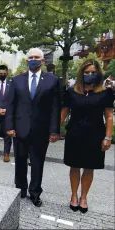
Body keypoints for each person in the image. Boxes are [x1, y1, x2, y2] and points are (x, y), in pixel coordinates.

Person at [5, 48, 61, 207]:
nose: (33, 59)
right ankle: (20, 190)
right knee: (20, 162)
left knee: (37, 163)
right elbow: (11, 104)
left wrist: (54, 130)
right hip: (20, 128)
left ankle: (35, 193)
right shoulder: (17, 80)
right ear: (27, 60)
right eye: (30, 57)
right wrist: (9, 126)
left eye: (37, 57)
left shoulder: (52, 80)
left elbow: (55, 107)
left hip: (41, 130)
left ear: (43, 61)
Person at [61, 60, 113, 213]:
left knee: (89, 167)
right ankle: (73, 195)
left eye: (93, 72)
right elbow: (64, 113)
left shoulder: (105, 93)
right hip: (75, 134)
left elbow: (109, 116)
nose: (90, 75)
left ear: (98, 74)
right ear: (81, 74)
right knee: (75, 165)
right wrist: (53, 131)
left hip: (95, 135)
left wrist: (108, 137)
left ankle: (84, 197)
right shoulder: (71, 92)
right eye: (87, 72)